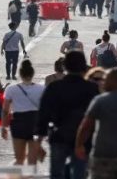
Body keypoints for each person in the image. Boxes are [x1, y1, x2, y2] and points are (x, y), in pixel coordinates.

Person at [35, 51, 101, 179]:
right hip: (84, 138)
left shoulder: (55, 87)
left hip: (59, 135)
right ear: (83, 66)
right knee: (79, 173)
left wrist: (39, 140)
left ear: (65, 66)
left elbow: (44, 113)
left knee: (56, 174)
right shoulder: (92, 88)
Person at [2, 60, 45, 166]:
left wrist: (4, 127)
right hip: (35, 122)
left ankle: (17, 176)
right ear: (32, 74)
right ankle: (30, 175)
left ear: (20, 74)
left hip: (18, 122)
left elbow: (5, 110)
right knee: (32, 160)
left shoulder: (11, 89)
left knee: (19, 158)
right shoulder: (41, 89)